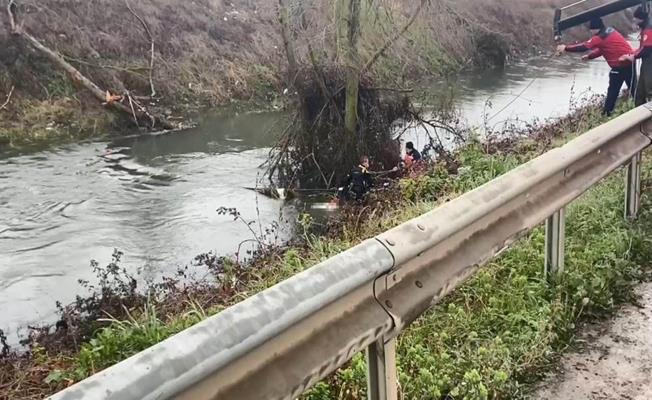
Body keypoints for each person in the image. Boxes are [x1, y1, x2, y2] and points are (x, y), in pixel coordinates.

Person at [557, 17, 636, 115]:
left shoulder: (599, 37)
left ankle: (606, 114)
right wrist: (590, 56)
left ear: (594, 29)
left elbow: (584, 46)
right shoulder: (610, 31)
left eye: (591, 30)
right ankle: (641, 107)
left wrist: (566, 48)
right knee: (634, 88)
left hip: (619, 65)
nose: (591, 33)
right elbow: (604, 48)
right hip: (630, 62)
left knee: (613, 91)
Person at [620, 6, 652, 106]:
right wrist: (632, 54)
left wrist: (633, 57)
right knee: (640, 93)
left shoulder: (648, 28)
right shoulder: (645, 27)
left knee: (649, 89)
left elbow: (647, 49)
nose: (634, 20)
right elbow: (642, 47)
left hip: (649, 62)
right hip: (646, 62)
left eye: (636, 18)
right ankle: (639, 113)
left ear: (641, 18)